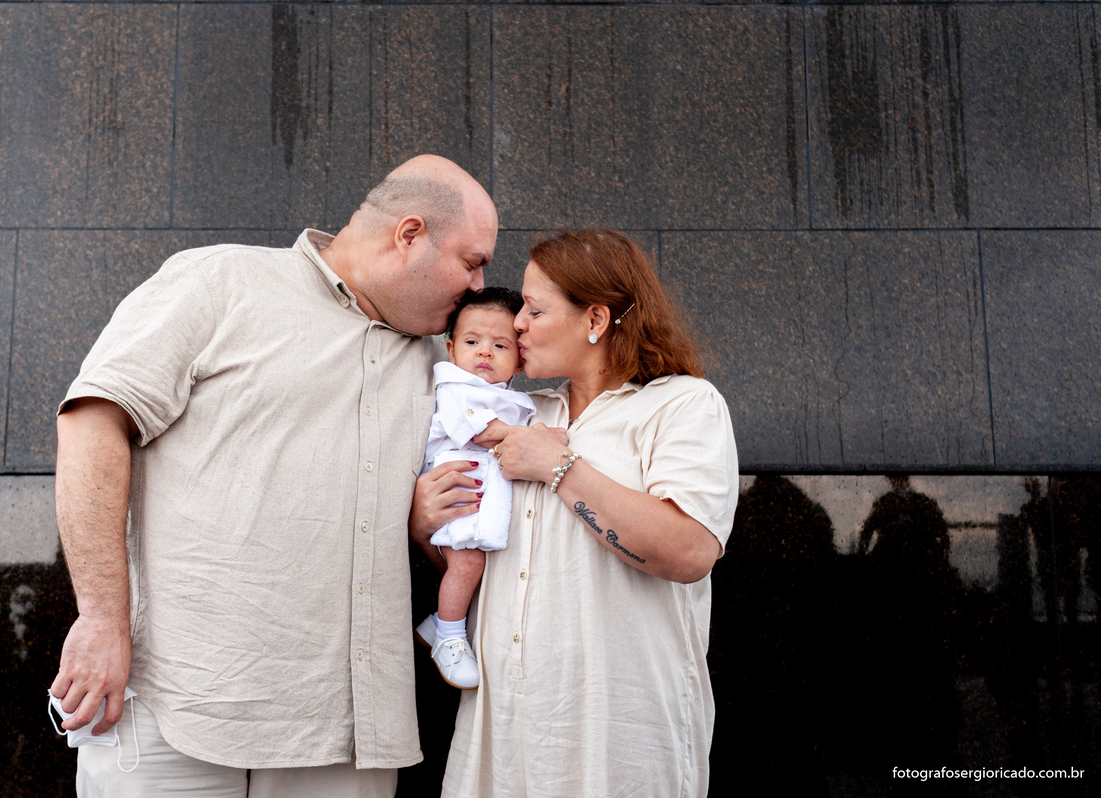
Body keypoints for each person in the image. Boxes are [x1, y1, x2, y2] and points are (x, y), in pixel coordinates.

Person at [50, 154, 498, 797]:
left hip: (348, 732)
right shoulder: (219, 282)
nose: (482, 287)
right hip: (178, 705)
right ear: (409, 234)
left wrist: (422, 518)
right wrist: (100, 618)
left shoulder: (448, 365)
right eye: (471, 260)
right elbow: (92, 424)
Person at [409, 229, 739, 797]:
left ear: (595, 320)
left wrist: (560, 466)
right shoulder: (519, 410)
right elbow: (487, 566)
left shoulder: (682, 404)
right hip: (506, 730)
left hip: (616, 736)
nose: (516, 326)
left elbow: (689, 553)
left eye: (534, 311)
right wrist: (424, 525)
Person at [414, 287, 536, 691]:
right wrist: (535, 438)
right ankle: (448, 637)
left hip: (478, 498)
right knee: (467, 566)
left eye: (499, 345)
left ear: (519, 358)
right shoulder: (453, 388)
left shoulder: (506, 396)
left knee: (472, 570)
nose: (484, 352)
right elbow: (482, 433)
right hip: (458, 497)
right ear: (450, 350)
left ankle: (439, 625)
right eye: (472, 342)